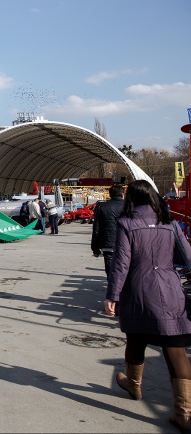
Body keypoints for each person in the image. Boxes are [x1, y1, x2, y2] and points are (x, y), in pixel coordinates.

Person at [105, 180, 191, 431]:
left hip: (139, 291)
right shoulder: (170, 223)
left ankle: (133, 384)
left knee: (136, 339)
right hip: (171, 290)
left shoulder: (127, 224)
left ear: (130, 198)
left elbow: (121, 263)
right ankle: (184, 413)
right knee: (175, 349)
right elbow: (185, 256)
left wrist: (113, 295)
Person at [91, 184, 125, 278]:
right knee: (124, 269)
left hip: (108, 243)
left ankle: (112, 288)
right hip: (125, 244)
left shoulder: (101, 206)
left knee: (110, 272)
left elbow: (96, 228)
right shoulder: (129, 206)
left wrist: (95, 248)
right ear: (122, 194)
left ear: (110, 195)